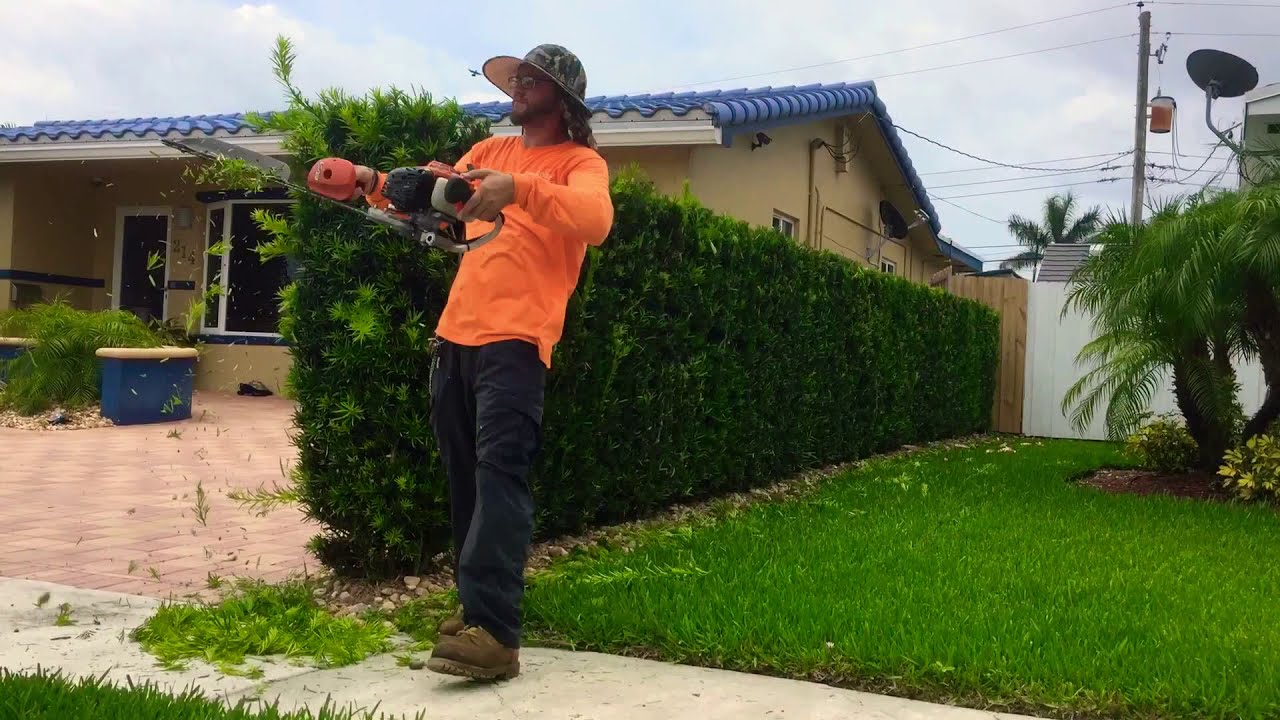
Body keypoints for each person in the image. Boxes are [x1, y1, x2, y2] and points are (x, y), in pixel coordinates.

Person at [350, 44, 613, 681]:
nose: (517, 87)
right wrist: (377, 186)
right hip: (456, 337)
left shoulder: (581, 163)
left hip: (517, 342)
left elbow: (596, 221)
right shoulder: (488, 151)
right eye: (516, 78)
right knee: (465, 479)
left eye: (532, 80)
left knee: (500, 479)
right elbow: (440, 196)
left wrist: (519, 190)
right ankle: (474, 614)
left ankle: (496, 635)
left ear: (563, 97)